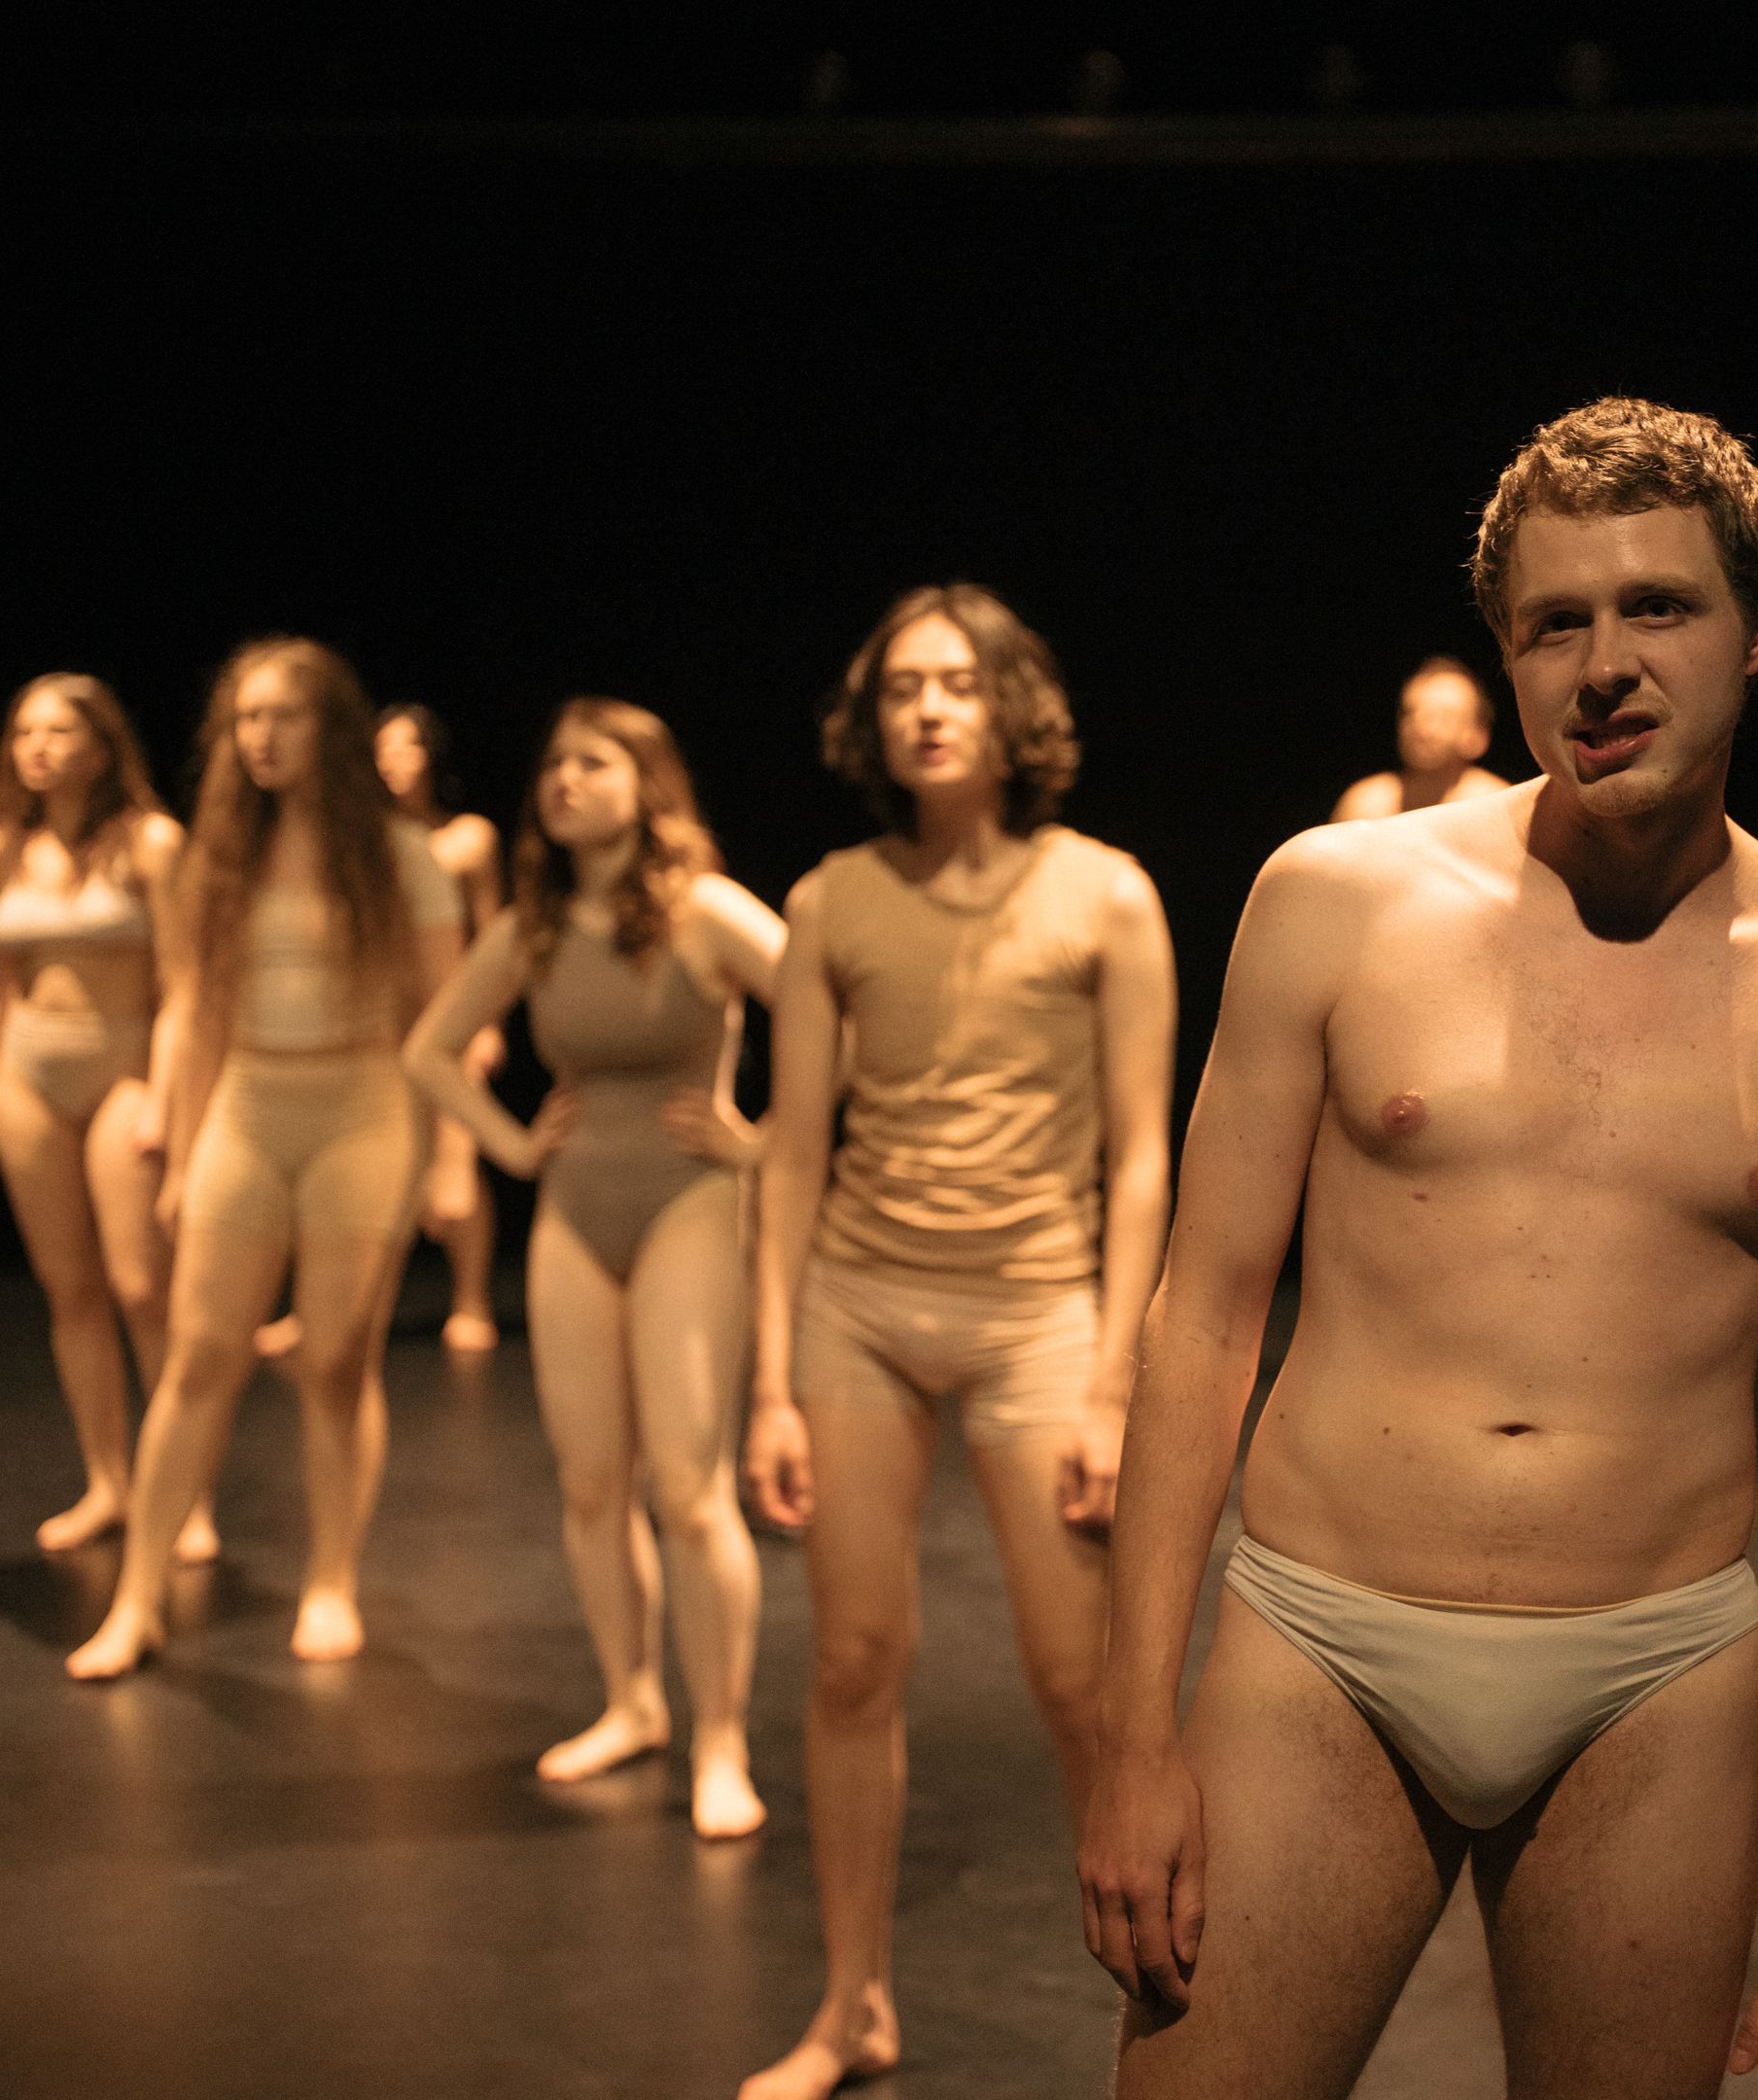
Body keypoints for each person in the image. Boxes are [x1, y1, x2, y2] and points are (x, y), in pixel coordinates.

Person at [1078, 399, 1758, 2100]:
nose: (1604, 666)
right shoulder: (1334, 902)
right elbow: (1204, 1318)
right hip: (1322, 1645)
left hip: (1654, 1683)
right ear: (1507, 654)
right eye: (1556, 623)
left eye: (1658, 607)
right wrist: (1131, 1734)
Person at [738, 584, 1178, 2099]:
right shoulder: (830, 901)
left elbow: (1143, 1155)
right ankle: (852, 2003)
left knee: (1080, 1687)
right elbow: (793, 1151)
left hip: (1037, 1315)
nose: (927, 709)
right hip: (860, 1306)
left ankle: (1161, 2026)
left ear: (1011, 709)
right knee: (853, 1660)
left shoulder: (1106, 894)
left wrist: (1114, 1386)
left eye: (958, 683)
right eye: (903, 688)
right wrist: (769, 1384)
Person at [406, 698, 787, 1839]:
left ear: (645, 783)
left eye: (593, 762)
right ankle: (632, 1702)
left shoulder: (704, 909)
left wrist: (765, 1139)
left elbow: (843, 1016)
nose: (564, 780)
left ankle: (721, 1741)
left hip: (689, 1202)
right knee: (590, 1482)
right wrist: (516, 1146)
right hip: (575, 1209)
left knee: (689, 1488)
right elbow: (429, 1050)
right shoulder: (532, 926)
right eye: (554, 764)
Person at [65, 637, 464, 1680]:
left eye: (284, 714)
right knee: (200, 1356)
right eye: (246, 717)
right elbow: (200, 1011)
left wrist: (452, 1158)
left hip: (362, 1109)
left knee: (334, 1363)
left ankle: (332, 1580)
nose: (261, 736)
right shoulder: (223, 856)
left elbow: (445, 1018)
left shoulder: (399, 854)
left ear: (331, 727)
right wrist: (183, 1152)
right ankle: (138, 1597)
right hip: (248, 1103)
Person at [0, 673, 217, 1562]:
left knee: (141, 1286)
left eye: (60, 731)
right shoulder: (1, 854)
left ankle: (187, 1493)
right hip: (24, 1076)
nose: (39, 747)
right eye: (25, 731)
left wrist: (169, 1102)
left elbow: (182, 988)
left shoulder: (152, 843)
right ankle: (109, 1481)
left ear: (102, 746)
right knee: (70, 1289)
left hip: (123, 1070)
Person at [376, 704, 508, 1353]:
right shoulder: (367, 840)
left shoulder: (469, 837)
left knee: (459, 1152)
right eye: (383, 748)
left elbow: (491, 932)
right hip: (383, 1016)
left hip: (452, 1009)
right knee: (377, 1156)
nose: (394, 760)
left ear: (432, 756)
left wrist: (489, 1023)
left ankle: (471, 1299)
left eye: (408, 747)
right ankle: (358, 1307)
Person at [1328, 655, 1511, 820]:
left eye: (1443, 717)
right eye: (1410, 713)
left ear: (1478, 736)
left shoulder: (1497, 805)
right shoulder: (1365, 804)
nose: (1422, 729)